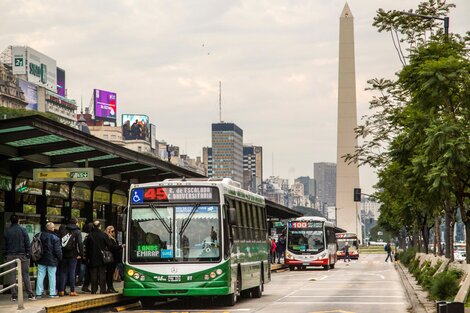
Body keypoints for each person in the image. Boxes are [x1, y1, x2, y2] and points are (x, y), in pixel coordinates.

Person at [4, 214, 36, 301]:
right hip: (22, 256)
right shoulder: (23, 230)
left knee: (12, 275)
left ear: (10, 221)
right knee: (25, 275)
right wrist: (28, 254)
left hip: (10, 255)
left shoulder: (7, 231)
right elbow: (27, 243)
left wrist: (5, 255)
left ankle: (14, 295)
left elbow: (4, 245)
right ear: (18, 220)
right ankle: (30, 294)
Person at [36, 222, 62, 298]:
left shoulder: (39, 235)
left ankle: (38, 293)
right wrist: (60, 258)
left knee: (40, 275)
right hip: (52, 259)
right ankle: (52, 293)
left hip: (40, 258)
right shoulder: (55, 238)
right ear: (52, 228)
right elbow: (57, 250)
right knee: (52, 276)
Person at [58, 218, 83, 297]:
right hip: (73, 254)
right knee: (72, 272)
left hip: (63, 254)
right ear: (76, 223)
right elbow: (80, 243)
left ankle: (61, 290)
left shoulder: (63, 230)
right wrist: (80, 254)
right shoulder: (77, 232)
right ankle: (72, 291)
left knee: (63, 272)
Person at [86, 220, 111, 294]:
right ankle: (102, 289)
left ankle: (93, 290)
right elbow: (109, 245)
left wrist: (87, 258)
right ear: (100, 226)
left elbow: (87, 248)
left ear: (93, 226)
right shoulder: (104, 235)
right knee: (102, 274)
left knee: (94, 275)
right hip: (102, 257)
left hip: (92, 257)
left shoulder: (90, 235)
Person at [105, 225, 121, 293]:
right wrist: (120, 246)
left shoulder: (113, 238)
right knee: (109, 273)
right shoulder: (108, 239)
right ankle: (109, 287)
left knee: (111, 273)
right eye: (112, 231)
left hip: (114, 258)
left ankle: (111, 287)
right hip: (110, 259)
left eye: (114, 231)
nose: (113, 232)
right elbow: (111, 247)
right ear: (108, 231)